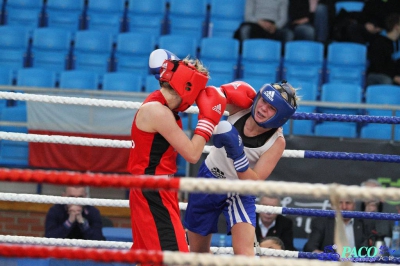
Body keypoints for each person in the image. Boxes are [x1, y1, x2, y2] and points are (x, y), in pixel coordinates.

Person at [127, 48, 245, 254]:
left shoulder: (162, 106)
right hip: (152, 191)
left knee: (150, 257)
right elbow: (192, 154)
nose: (197, 99)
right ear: (187, 86)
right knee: (176, 257)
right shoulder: (157, 111)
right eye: (198, 91)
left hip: (157, 189)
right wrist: (208, 120)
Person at [184, 80, 298, 256]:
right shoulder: (241, 108)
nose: (262, 108)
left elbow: (254, 183)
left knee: (245, 255)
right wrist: (222, 92)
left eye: (271, 108)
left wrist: (238, 155)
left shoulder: (276, 142)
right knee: (198, 254)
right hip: (208, 179)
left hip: (240, 191)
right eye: (263, 101)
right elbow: (208, 96)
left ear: (280, 116)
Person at [303, 197, 373, 253]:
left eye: (348, 203)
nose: (344, 207)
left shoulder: (365, 223)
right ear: (332, 206)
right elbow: (310, 246)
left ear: (354, 205)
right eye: (340, 203)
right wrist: (320, 254)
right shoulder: (321, 222)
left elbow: (372, 249)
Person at [366, 13, 400, 87]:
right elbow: (378, 67)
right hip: (376, 75)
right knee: (386, 80)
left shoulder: (398, 43)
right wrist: (394, 77)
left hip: (394, 75)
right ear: (396, 27)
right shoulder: (378, 42)